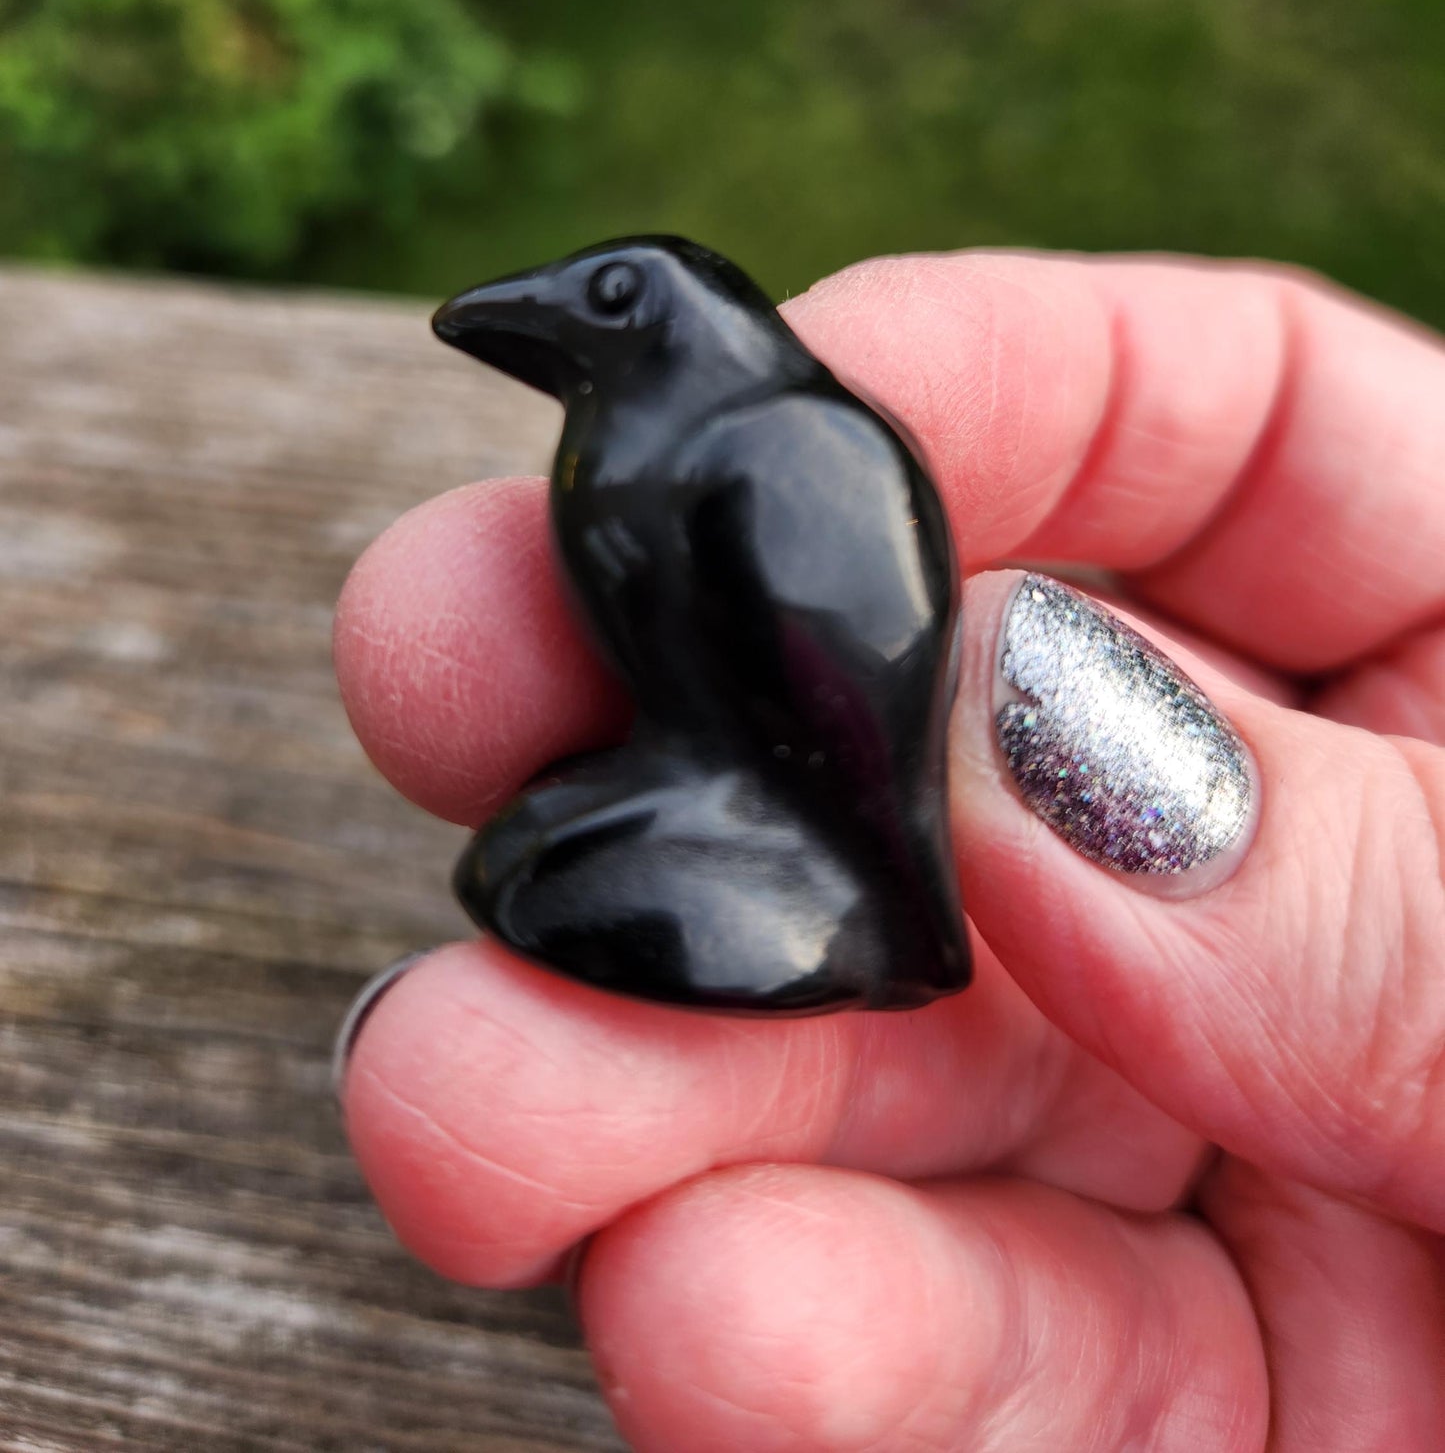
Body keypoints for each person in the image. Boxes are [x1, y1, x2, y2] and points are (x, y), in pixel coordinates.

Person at [332, 250, 1445, 1451]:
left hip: (823, 803)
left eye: (609, 299)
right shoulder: (656, 441)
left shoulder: (772, 445)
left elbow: (812, 682)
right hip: (748, 784)